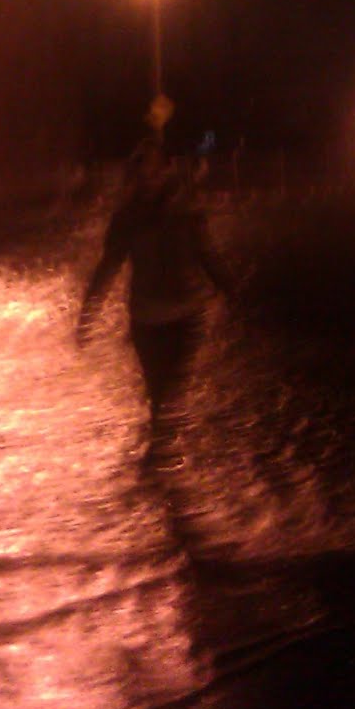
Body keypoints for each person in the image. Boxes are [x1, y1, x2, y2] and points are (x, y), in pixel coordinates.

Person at [77, 137, 238, 494]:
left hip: (187, 313)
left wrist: (233, 290)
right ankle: (163, 453)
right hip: (147, 318)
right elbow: (109, 265)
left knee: (173, 390)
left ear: (167, 170)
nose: (149, 177)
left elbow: (207, 254)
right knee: (157, 392)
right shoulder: (127, 219)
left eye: (155, 168)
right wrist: (89, 312)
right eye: (143, 170)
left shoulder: (187, 211)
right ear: (135, 176)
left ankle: (164, 455)